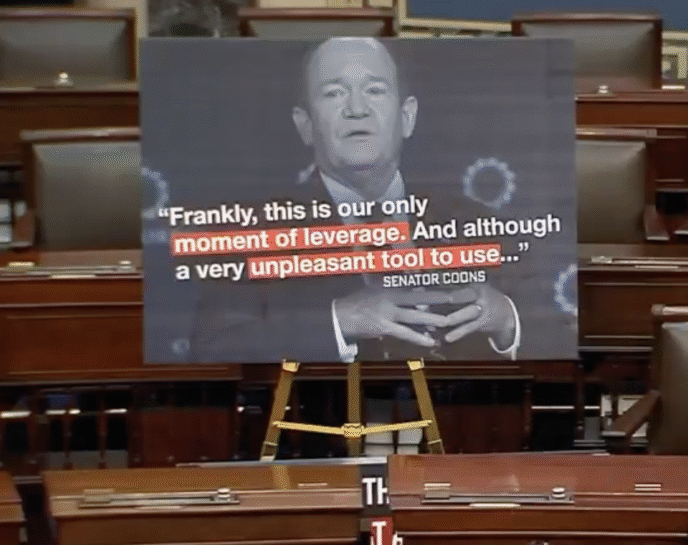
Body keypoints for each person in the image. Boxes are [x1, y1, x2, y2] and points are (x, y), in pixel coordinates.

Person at [188, 37, 559, 363]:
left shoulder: (476, 222)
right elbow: (212, 346)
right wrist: (339, 322)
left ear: (407, 116)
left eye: (375, 90)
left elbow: (561, 331)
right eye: (334, 92)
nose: (357, 109)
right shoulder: (251, 232)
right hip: (321, 425)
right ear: (304, 124)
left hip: (454, 426)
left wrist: (508, 318)